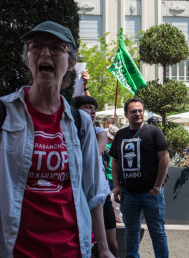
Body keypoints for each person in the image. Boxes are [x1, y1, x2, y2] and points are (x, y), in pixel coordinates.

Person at [0, 21, 113, 257]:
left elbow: (93, 193)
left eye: (55, 47)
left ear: (71, 62)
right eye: (36, 46)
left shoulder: (81, 122)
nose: (45, 53)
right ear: (28, 57)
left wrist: (103, 248)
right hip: (16, 249)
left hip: (70, 249)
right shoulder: (4, 113)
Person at [110, 97, 170, 258]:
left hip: (152, 194)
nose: (137, 113)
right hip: (128, 194)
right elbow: (115, 161)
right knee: (131, 231)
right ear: (126, 114)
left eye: (140, 110)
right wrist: (116, 186)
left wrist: (157, 186)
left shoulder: (153, 132)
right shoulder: (121, 134)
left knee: (157, 232)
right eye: (133, 111)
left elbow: (165, 158)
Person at [75, 95, 119, 257]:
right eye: (87, 107)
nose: (92, 112)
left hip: (100, 194)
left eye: (94, 109)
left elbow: (93, 154)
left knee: (112, 246)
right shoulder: (70, 130)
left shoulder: (100, 132)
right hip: (78, 193)